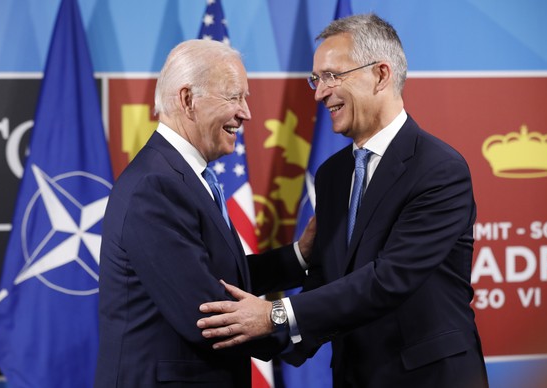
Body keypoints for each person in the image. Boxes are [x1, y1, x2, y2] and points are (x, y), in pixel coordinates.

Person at [196, 13, 489, 388]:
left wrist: (275, 315)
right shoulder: (334, 174)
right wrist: (238, 333)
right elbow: (326, 281)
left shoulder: (438, 169)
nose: (319, 92)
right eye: (316, 79)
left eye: (333, 76)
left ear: (381, 74)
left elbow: (388, 279)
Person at [94, 39, 315, 388]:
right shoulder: (156, 186)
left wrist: (299, 256)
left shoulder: (180, 176)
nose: (246, 113)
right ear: (187, 100)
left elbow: (219, 277)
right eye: (234, 97)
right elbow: (208, 314)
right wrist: (306, 324)